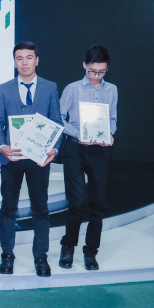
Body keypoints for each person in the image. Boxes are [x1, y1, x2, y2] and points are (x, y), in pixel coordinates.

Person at [0, 41, 62, 278]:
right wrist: (2, 146)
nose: (24, 62)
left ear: (37, 60)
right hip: (11, 158)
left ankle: (40, 257)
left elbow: (57, 122)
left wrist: (54, 149)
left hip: (39, 160)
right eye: (19, 58)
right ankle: (7, 255)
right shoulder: (4, 88)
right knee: (8, 209)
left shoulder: (50, 87)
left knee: (40, 208)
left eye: (29, 57)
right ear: (14, 62)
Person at [58, 45, 117, 271]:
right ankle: (68, 246)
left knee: (98, 203)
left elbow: (112, 118)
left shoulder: (112, 90)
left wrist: (110, 133)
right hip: (75, 148)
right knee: (76, 203)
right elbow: (60, 119)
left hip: (99, 150)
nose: (96, 76)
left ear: (107, 69)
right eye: (92, 71)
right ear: (84, 65)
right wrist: (77, 133)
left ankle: (91, 251)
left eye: (101, 72)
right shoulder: (72, 89)